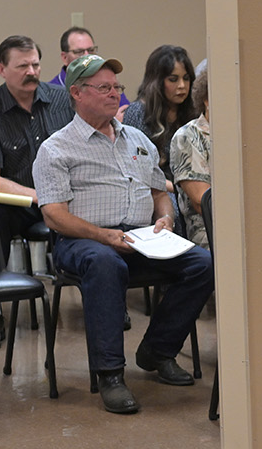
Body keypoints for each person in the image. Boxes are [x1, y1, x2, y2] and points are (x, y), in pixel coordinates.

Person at [34, 54, 214, 415]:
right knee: (104, 264)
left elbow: (160, 193)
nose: (115, 94)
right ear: (77, 93)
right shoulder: (56, 148)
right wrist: (103, 236)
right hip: (83, 241)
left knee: (203, 263)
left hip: (142, 236)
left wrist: (165, 220)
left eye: (117, 87)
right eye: (104, 88)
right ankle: (111, 375)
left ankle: (157, 351)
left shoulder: (136, 139)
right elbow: (54, 216)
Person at [0, 34, 75, 351]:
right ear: (2, 69)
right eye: (22, 66)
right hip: (22, 205)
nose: (31, 71)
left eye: (35, 64)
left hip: (69, 198)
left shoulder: (61, 100)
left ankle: (104, 296)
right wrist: (39, 196)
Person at [122, 44, 197, 175]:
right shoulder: (137, 112)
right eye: (173, 79)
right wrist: (173, 188)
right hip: (153, 190)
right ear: (157, 81)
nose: (182, 86)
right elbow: (135, 169)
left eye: (186, 78)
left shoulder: (194, 112)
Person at [168, 66, 212, 247]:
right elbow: (203, 203)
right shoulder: (189, 136)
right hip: (210, 231)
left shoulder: (245, 136)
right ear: (207, 100)